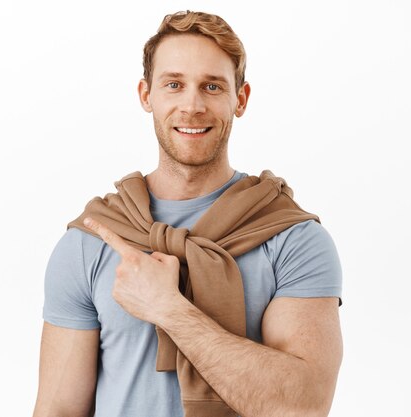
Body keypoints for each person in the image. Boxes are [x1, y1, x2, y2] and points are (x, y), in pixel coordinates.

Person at [33, 10, 342, 417]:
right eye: (174, 85)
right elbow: (58, 409)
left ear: (241, 99)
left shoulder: (292, 239)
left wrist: (169, 309)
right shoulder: (91, 241)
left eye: (212, 86)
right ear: (147, 95)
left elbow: (302, 407)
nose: (192, 105)